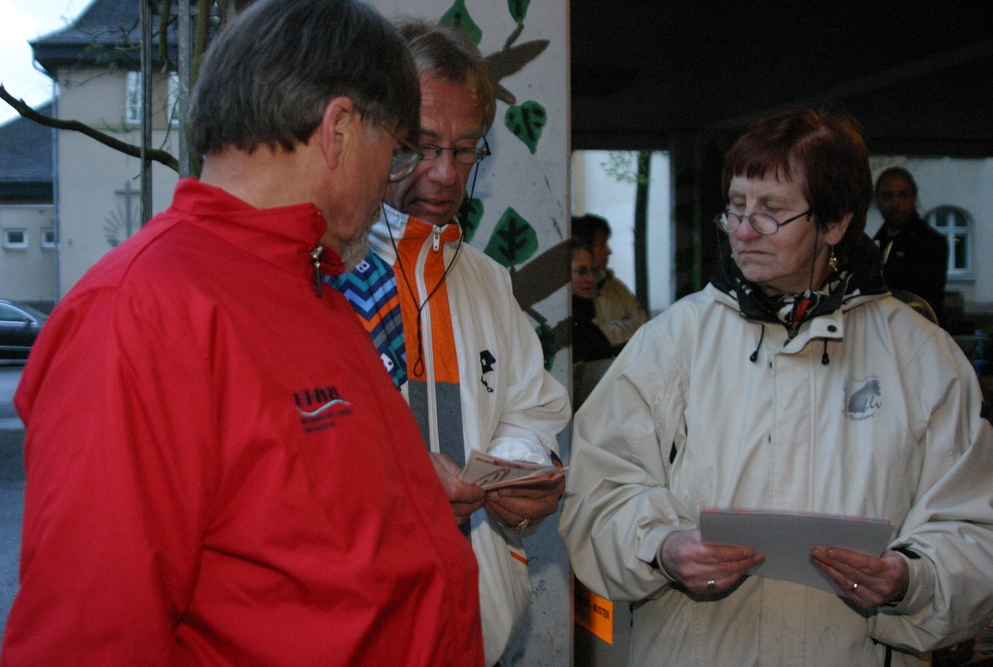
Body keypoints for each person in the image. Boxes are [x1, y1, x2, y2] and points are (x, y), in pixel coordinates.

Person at [0, 2, 485, 665]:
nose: (392, 177)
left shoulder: (311, 290)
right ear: (339, 128)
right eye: (397, 149)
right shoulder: (144, 312)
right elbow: (91, 639)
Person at [559, 108, 993, 667]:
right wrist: (661, 548)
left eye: (770, 212)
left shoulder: (921, 357)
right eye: (736, 208)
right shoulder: (672, 342)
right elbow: (595, 494)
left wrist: (911, 579)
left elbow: (979, 531)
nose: (744, 231)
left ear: (835, 222)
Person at [326, 21, 570, 665]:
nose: (445, 174)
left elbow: (531, 410)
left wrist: (521, 479)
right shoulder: (320, 272)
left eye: (465, 151)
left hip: (476, 632)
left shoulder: (488, 279)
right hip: (351, 632)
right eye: (422, 146)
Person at [873, 166, 949, 321]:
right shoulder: (874, 246)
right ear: (878, 200)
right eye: (888, 196)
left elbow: (922, 297)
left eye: (903, 195)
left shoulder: (930, 243)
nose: (895, 203)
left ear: (913, 198)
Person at [572, 213, 648, 346]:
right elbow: (583, 338)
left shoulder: (616, 287)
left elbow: (645, 329)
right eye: (602, 244)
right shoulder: (571, 292)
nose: (609, 251)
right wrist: (625, 326)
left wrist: (603, 332)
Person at [571, 240, 615, 364]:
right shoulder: (568, 327)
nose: (591, 279)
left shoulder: (584, 323)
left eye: (593, 271)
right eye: (581, 271)